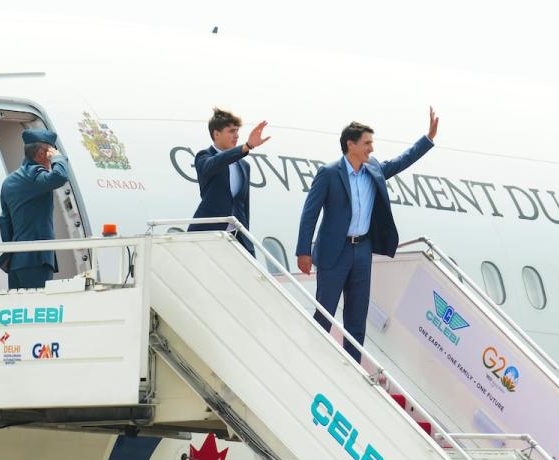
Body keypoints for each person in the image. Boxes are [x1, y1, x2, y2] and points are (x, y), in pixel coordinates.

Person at [296, 108, 439, 362]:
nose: (371, 148)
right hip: (334, 252)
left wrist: (427, 139)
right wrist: (303, 251)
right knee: (325, 312)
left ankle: (351, 366)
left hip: (362, 251)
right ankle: (312, 361)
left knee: (357, 317)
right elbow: (310, 213)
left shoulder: (373, 170)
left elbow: (400, 161)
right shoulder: (329, 174)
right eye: (367, 143)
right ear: (350, 144)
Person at [187, 108, 270, 255]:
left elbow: (244, 205)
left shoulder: (244, 166)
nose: (236, 136)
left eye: (237, 131)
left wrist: (246, 234)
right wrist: (246, 147)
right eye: (231, 131)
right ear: (216, 134)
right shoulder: (204, 157)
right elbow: (216, 163)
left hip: (238, 237)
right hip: (209, 234)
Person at [0, 128, 70, 290]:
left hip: (16, 260)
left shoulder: (9, 181)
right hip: (36, 259)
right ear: (44, 153)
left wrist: (12, 252)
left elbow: (4, 222)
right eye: (51, 150)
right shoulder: (35, 175)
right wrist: (58, 157)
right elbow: (60, 176)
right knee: (35, 310)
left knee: (18, 311)